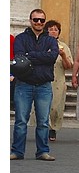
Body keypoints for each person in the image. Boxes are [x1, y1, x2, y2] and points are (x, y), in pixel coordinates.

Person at [10, 9, 59, 161]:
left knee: (43, 121)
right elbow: (19, 57)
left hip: (43, 85)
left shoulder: (51, 40)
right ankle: (17, 151)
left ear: (44, 22)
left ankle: (43, 151)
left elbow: (52, 57)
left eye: (41, 20)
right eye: (36, 20)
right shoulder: (21, 38)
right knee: (20, 121)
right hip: (23, 84)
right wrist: (43, 56)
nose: (38, 23)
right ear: (30, 20)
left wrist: (30, 55)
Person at [44, 20, 73, 142]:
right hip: (43, 78)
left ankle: (53, 128)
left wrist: (63, 55)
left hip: (58, 80)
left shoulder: (63, 47)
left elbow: (69, 65)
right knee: (44, 106)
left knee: (55, 107)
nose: (53, 31)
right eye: (50, 29)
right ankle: (44, 129)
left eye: (56, 29)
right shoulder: (41, 45)